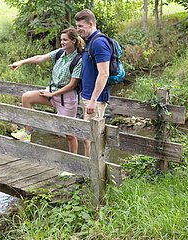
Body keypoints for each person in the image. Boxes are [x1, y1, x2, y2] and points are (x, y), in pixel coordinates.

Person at [8, 27, 84, 154]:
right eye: (61, 40)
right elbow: (40, 58)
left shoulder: (79, 60)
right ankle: (27, 133)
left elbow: (72, 85)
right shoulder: (60, 53)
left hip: (66, 99)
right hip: (51, 93)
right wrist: (21, 62)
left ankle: (73, 163)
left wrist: (52, 94)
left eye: (65, 40)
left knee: (69, 134)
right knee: (27, 97)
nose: (62, 42)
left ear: (74, 41)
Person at [75, 9, 111, 157]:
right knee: (88, 137)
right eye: (77, 26)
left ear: (91, 24)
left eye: (80, 26)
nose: (78, 30)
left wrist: (93, 101)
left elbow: (104, 74)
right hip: (88, 97)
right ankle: (90, 170)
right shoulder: (89, 42)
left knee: (92, 138)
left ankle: (95, 174)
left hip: (95, 100)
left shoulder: (99, 43)